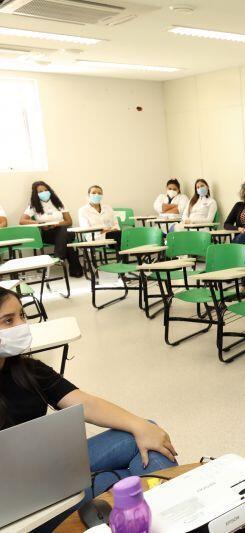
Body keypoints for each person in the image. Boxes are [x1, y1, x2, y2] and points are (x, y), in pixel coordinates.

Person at [0, 287, 177, 530]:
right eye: (8, 321)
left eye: (22, 316)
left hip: (48, 471)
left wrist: (140, 425)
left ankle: (174, 517)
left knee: (144, 434)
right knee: (131, 486)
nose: (21, 325)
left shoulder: (27, 370)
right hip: (14, 502)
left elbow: (84, 402)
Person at [19, 181, 83, 277]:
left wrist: (57, 224)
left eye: (46, 190)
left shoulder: (58, 202)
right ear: (36, 194)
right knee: (67, 242)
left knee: (63, 229)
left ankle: (59, 256)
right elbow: (22, 221)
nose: (44, 192)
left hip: (64, 231)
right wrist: (39, 223)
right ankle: (75, 270)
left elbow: (69, 221)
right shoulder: (34, 205)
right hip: (47, 234)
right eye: (40, 191)